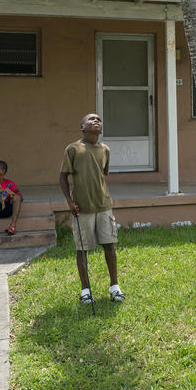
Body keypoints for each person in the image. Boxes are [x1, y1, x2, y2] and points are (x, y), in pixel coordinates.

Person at [59, 112, 124, 305]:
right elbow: (63, 177)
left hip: (103, 205)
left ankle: (115, 287)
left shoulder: (105, 149)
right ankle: (85, 290)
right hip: (82, 208)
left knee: (109, 246)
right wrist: (69, 202)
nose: (96, 121)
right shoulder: (73, 149)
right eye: (91, 119)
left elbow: (102, 175)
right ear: (83, 127)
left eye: (99, 120)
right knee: (82, 249)